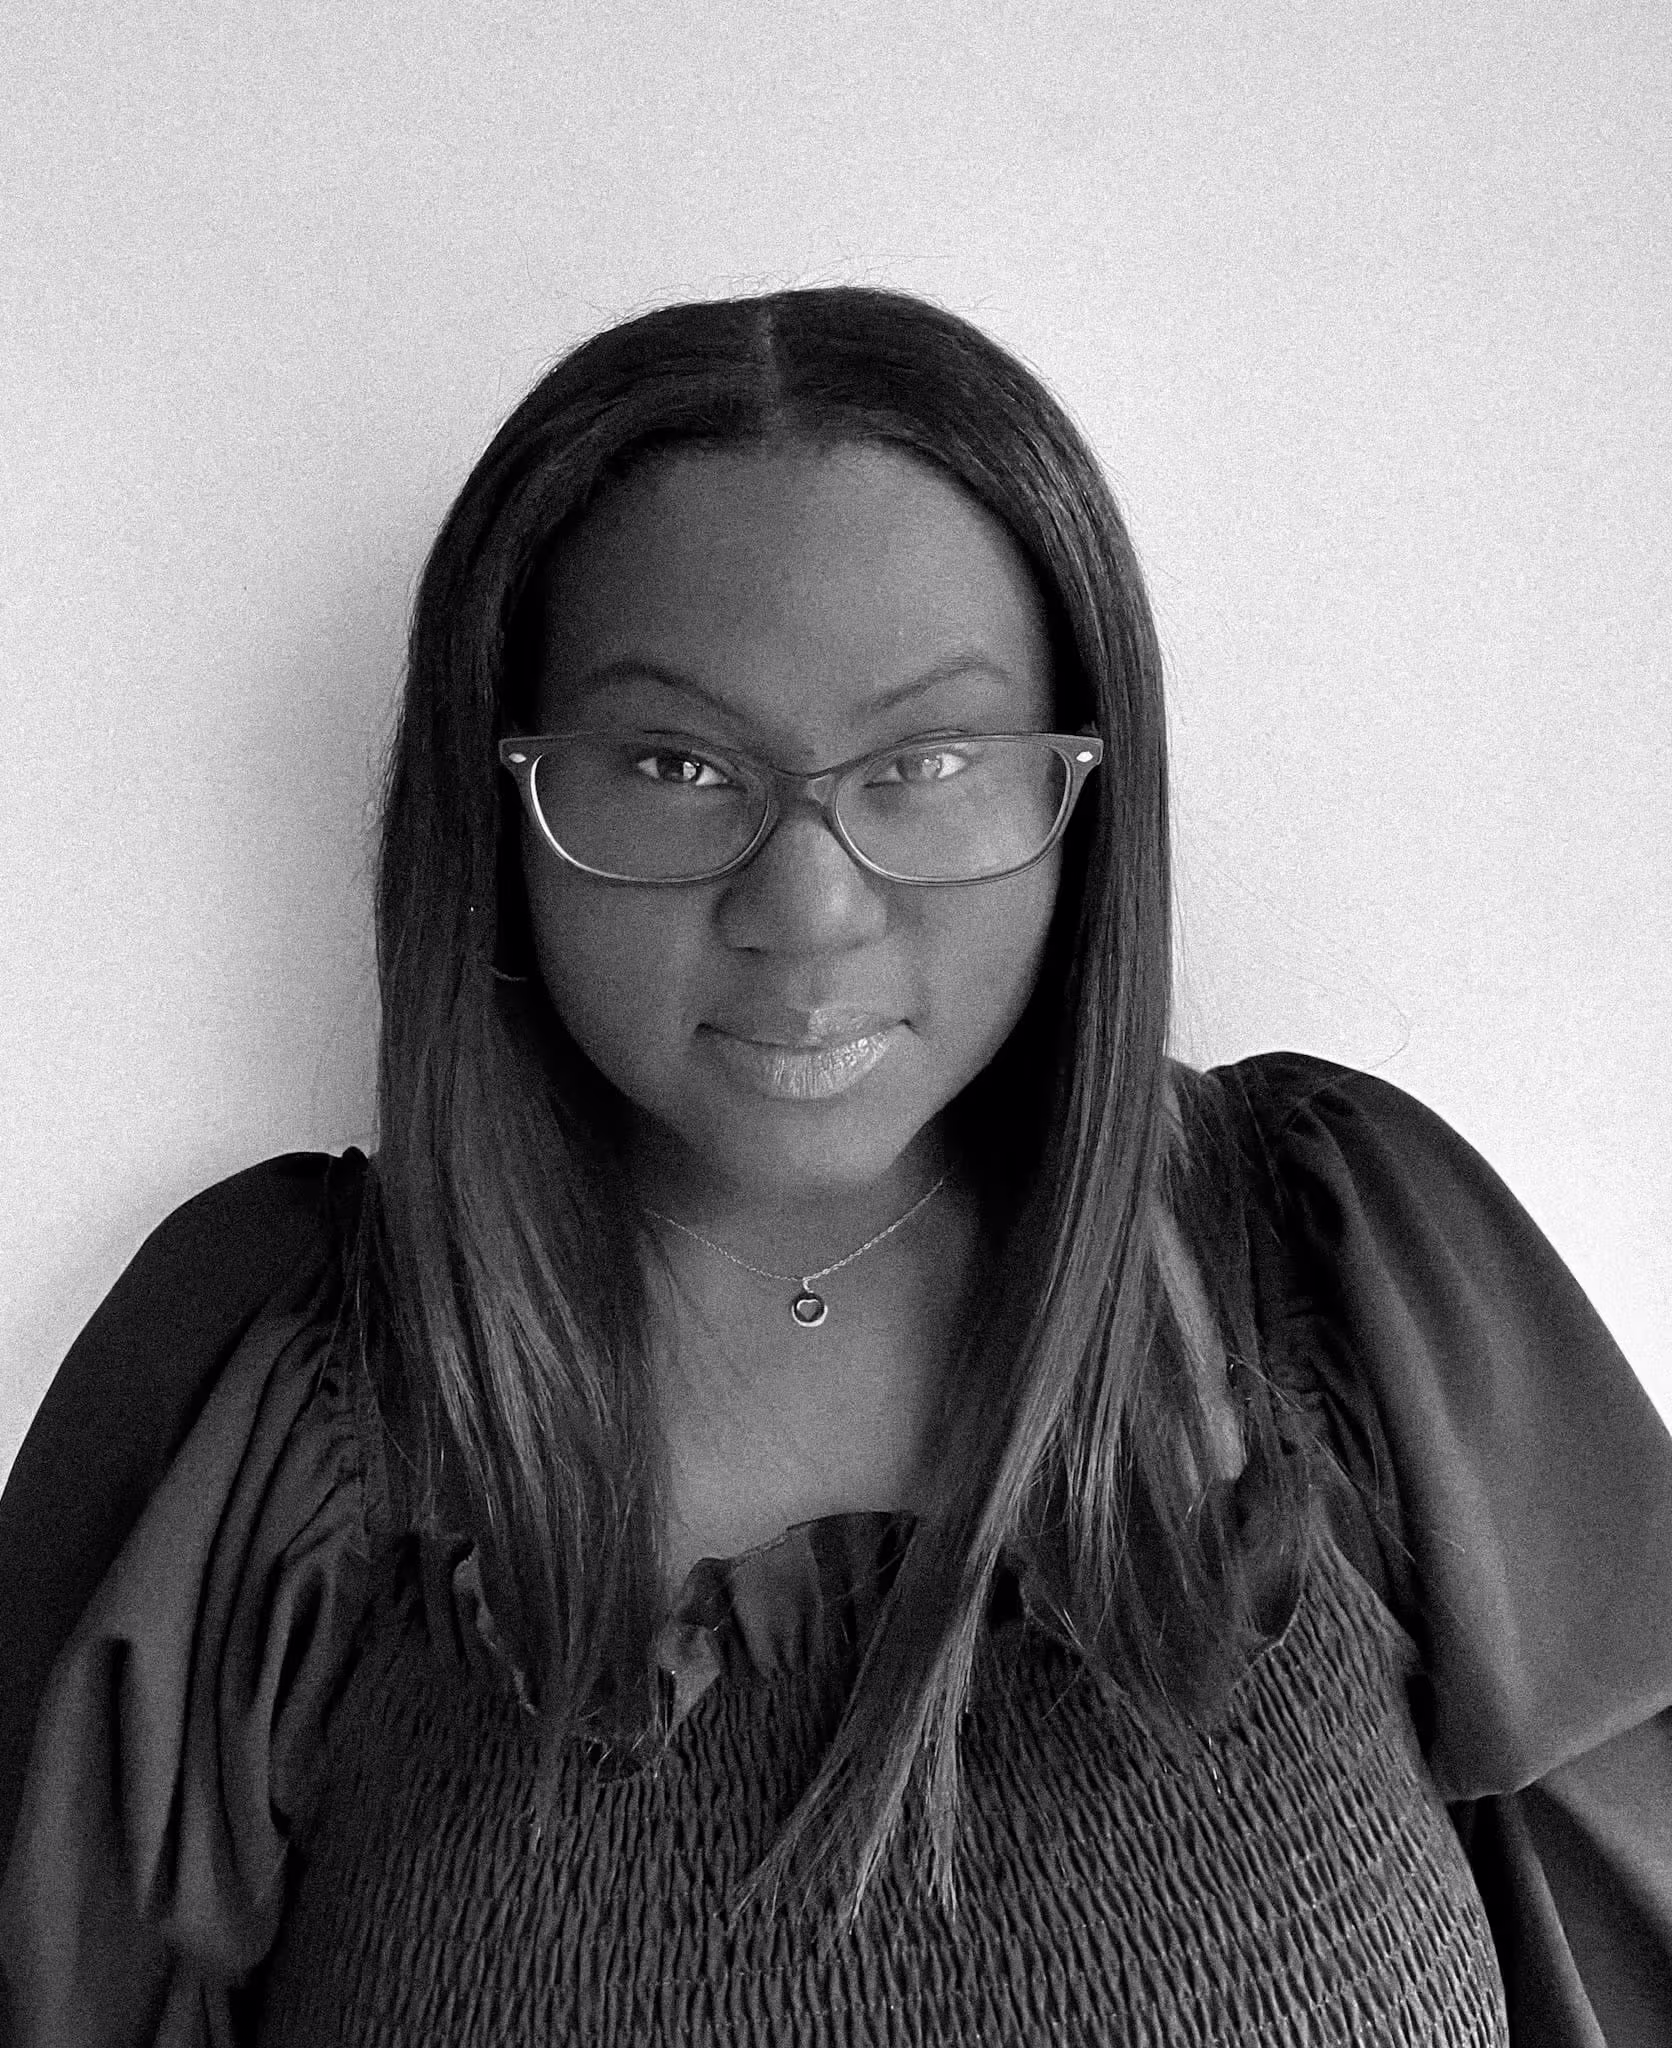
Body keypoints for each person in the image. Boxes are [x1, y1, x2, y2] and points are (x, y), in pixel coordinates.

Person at [1, 287, 1667, 2048]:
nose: (805, 909)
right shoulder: (265, 1400)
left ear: (1079, 789)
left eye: (926, 761)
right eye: (674, 763)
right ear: (504, 803)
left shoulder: (1355, 1279)